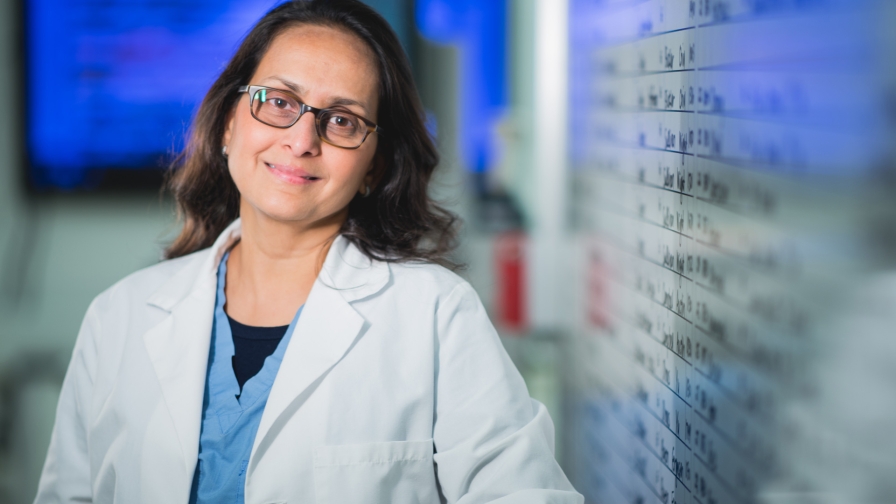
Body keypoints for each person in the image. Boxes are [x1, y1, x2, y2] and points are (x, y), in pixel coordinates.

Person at [34, 1, 582, 502]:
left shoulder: (436, 315)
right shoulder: (118, 316)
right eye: (279, 101)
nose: (301, 139)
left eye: (341, 120)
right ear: (229, 122)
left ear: (375, 166)